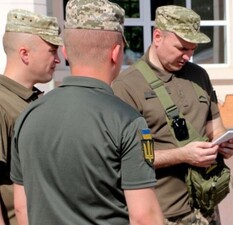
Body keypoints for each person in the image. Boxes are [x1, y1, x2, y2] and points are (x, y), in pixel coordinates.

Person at [9, 0, 164, 225]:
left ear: (65, 51)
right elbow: (144, 217)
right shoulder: (128, 121)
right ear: (116, 52)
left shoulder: (28, 115)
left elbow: (22, 208)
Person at [112, 5, 233, 225]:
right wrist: (182, 155)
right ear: (158, 36)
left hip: (206, 207)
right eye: (182, 48)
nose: (188, 56)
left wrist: (224, 142)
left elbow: (214, 126)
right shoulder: (127, 86)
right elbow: (126, 159)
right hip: (161, 213)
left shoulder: (199, 75)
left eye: (192, 49)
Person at [0, 9, 63, 225]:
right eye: (52, 51)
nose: (58, 60)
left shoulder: (36, 101)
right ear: (25, 54)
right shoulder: (1, 104)